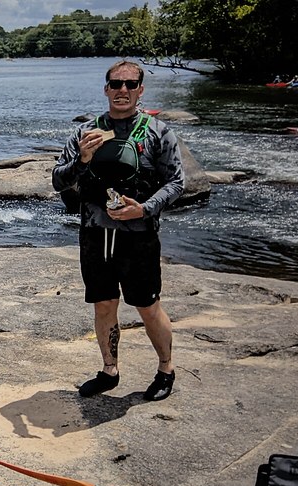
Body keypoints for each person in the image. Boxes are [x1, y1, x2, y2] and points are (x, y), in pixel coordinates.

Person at [52, 60, 184, 402]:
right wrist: (81, 160)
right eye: (116, 84)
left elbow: (177, 182)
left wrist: (144, 208)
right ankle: (110, 370)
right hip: (96, 234)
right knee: (103, 305)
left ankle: (166, 369)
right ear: (106, 88)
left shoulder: (158, 132)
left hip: (139, 236)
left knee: (147, 305)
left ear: (140, 89)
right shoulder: (85, 133)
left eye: (130, 84)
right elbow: (57, 180)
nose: (122, 90)